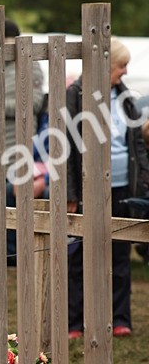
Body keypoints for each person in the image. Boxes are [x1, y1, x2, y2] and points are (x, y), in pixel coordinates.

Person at [66, 38, 149, 338]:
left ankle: (120, 318)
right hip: (87, 188)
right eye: (121, 66)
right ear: (104, 67)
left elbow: (137, 146)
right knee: (78, 256)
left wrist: (141, 187)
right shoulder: (74, 96)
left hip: (122, 186)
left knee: (120, 255)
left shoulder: (126, 97)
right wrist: (71, 194)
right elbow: (63, 149)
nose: (125, 72)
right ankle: (75, 322)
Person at [4, 17, 46, 266]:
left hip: (19, 147)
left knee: (15, 198)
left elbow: (33, 104)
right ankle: (3, 251)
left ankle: (16, 254)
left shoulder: (31, 67)